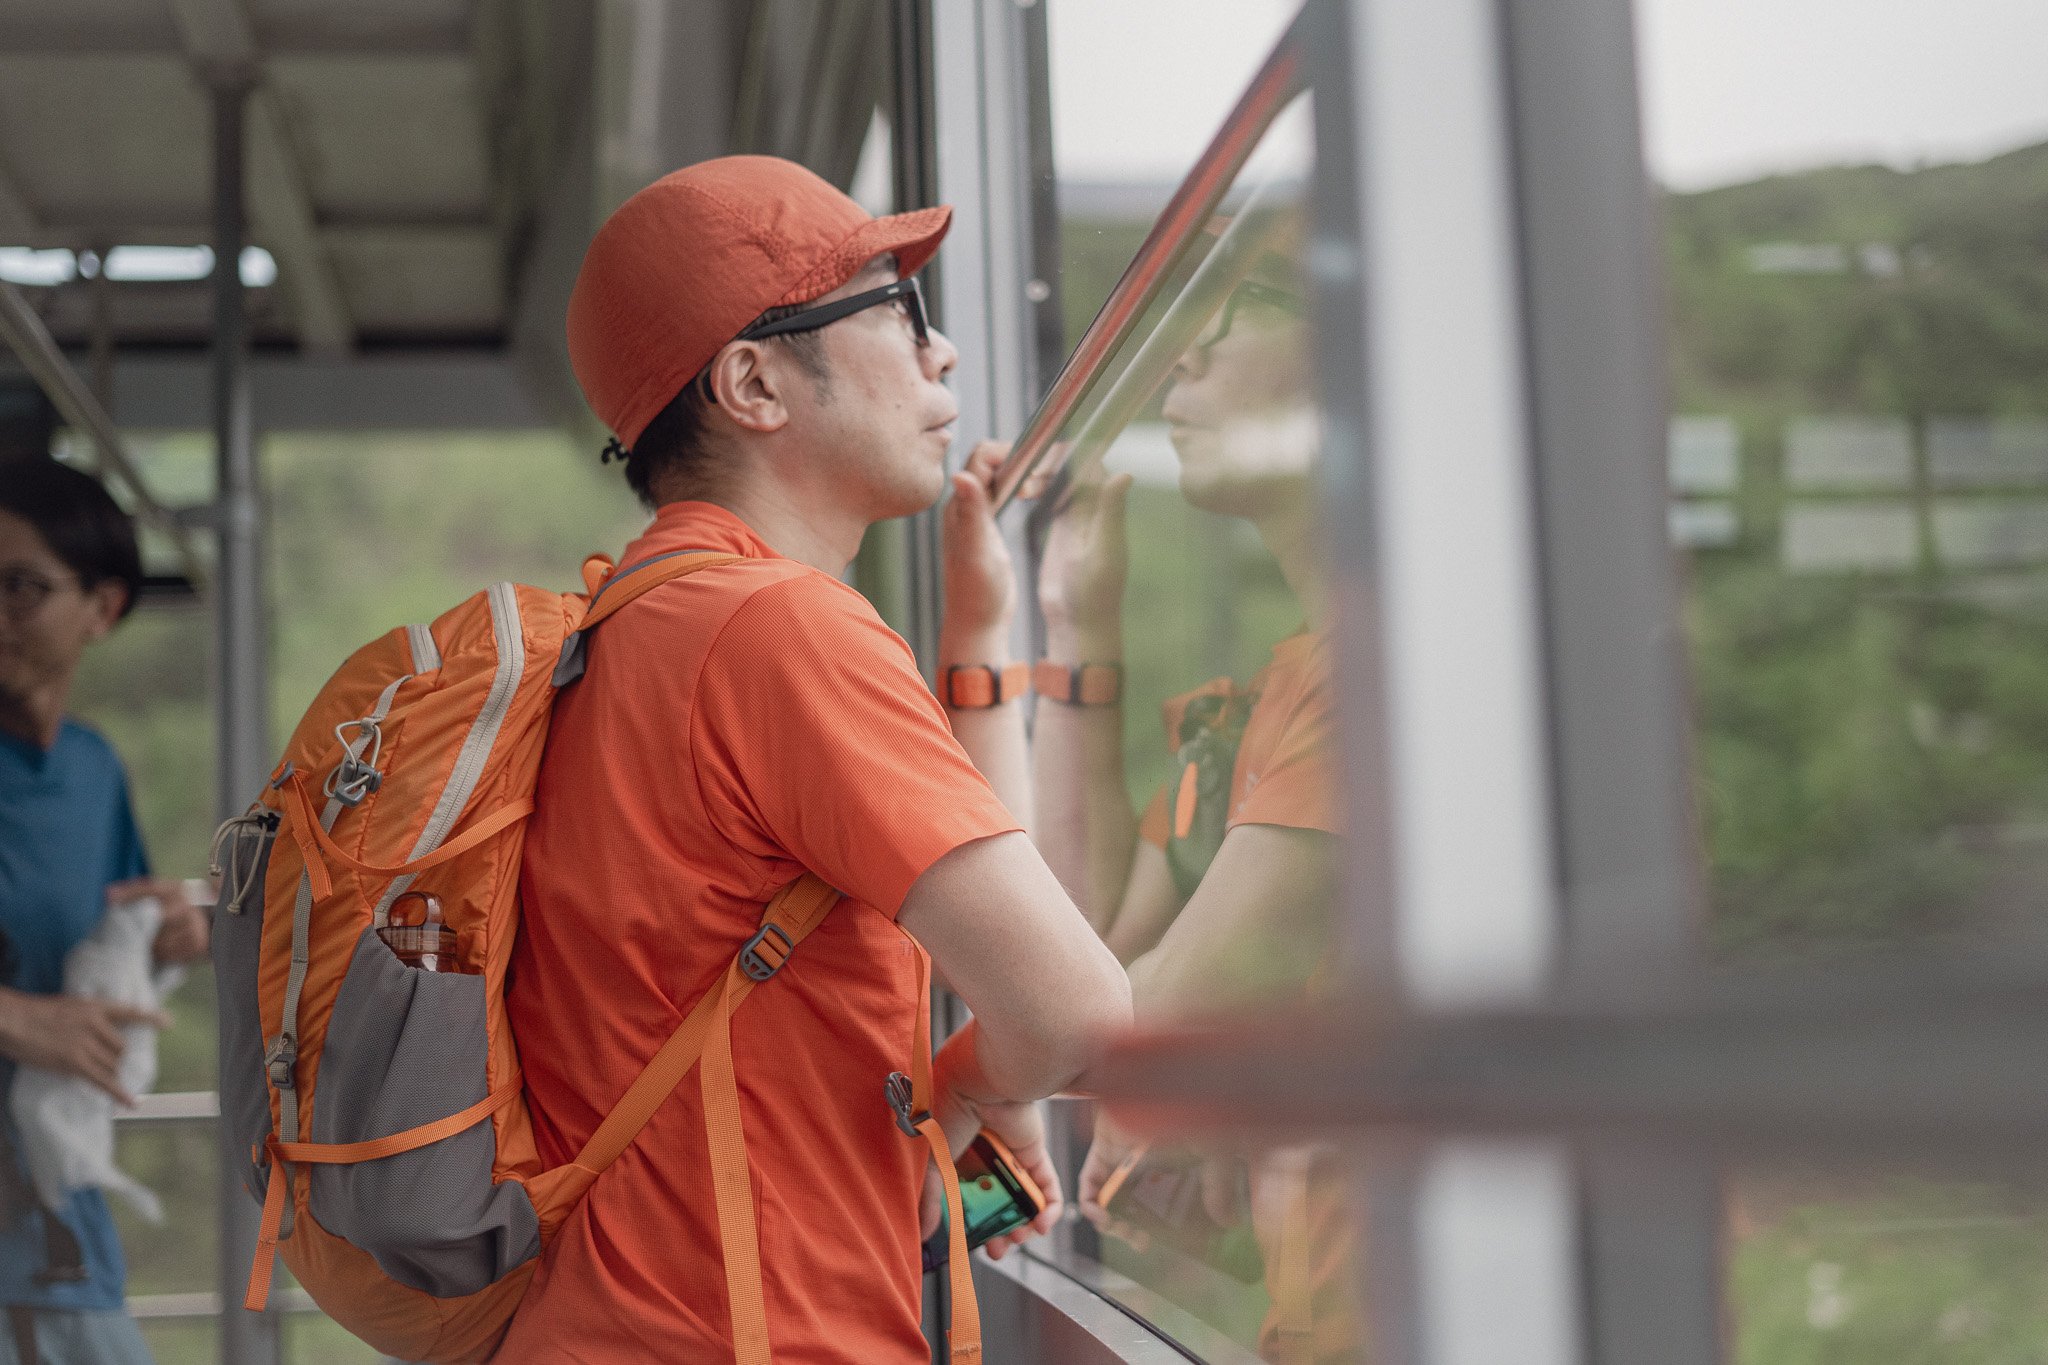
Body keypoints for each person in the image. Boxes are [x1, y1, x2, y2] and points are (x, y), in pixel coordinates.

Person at [498, 156, 1131, 1362]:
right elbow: (1074, 1008)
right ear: (753, 382)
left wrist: (978, 633)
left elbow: (978, 893)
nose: (941, 356)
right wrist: (973, 1095)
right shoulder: (774, 629)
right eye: (899, 313)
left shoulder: (644, 621)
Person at [1032, 234, 1362, 1362]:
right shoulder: (1282, 692)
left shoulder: (1378, 672)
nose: (1179, 366)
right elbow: (1090, 940)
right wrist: (1081, 628)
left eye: (1229, 327)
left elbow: (1136, 1028)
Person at [0, 460, 210, 1365]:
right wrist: (16, 1020)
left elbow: (110, 931)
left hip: (52, 1212)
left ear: (104, 606)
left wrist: (171, 934)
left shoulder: (91, 769)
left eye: (22, 586)